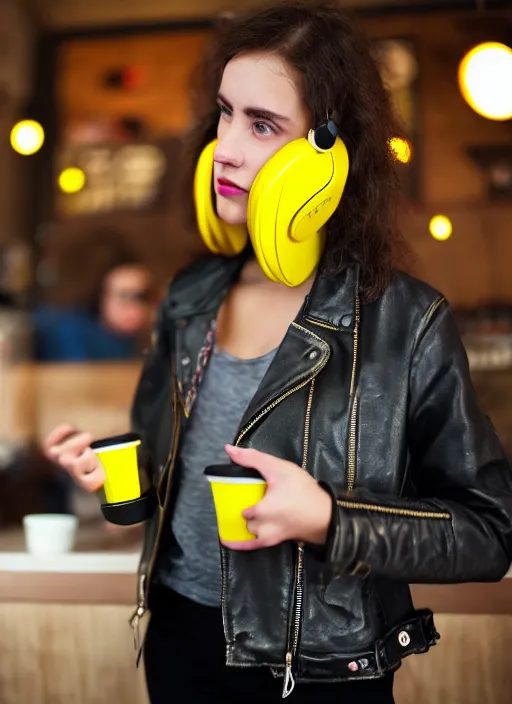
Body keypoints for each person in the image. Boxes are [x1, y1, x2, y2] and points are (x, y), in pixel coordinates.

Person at [43, 2, 512, 703]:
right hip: (178, 642)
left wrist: (328, 518)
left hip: (314, 671)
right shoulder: (191, 294)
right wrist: (114, 474)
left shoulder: (406, 322)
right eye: (226, 113)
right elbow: (166, 471)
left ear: (325, 159)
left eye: (262, 125)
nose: (225, 147)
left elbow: (488, 531)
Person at [33, 253, 155, 362]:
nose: (134, 308)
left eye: (142, 298)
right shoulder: (69, 331)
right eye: (123, 296)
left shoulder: (142, 338)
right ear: (101, 297)